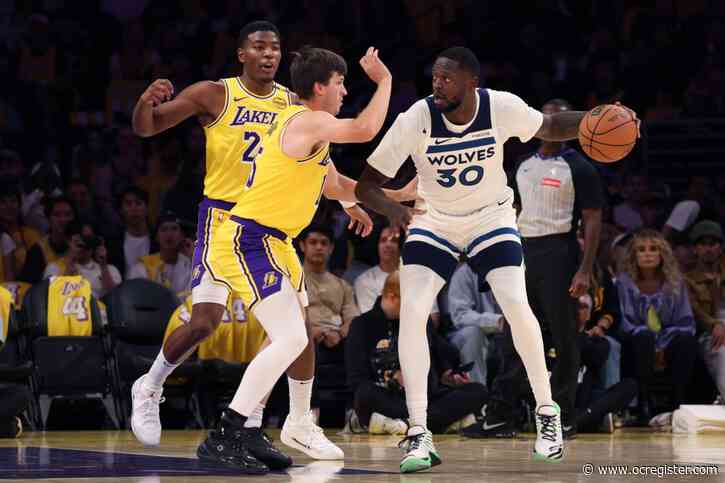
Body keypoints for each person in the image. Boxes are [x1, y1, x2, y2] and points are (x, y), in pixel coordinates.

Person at [355, 46, 640, 472]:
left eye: (446, 78)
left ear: (472, 82)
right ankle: (419, 432)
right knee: (413, 313)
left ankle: (548, 414)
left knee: (515, 302)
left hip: (491, 218)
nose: (437, 84)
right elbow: (366, 186)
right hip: (434, 221)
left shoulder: (499, 106)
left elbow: (551, 124)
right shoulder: (417, 117)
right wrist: (395, 212)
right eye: (434, 77)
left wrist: (592, 118)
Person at [510, 98, 604, 436]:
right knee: (515, 334)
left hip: (559, 251)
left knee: (565, 336)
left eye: (557, 118)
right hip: (522, 251)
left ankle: (563, 414)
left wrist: (585, 268)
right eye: (545, 116)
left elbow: (593, 220)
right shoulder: (521, 164)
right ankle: (504, 412)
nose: (549, 122)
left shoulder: (579, 166)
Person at [346, 271, 488, 434]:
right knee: (364, 395)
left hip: (425, 399)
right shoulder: (362, 325)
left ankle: (404, 425)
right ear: (392, 297)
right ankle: (436, 423)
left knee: (478, 391)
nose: (416, 307)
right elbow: (356, 380)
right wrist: (392, 379)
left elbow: (440, 355)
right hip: (389, 397)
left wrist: (449, 375)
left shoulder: (420, 320)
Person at [616, 229, 697, 425]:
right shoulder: (624, 283)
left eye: (653, 249)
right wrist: (652, 342)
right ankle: (643, 402)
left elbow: (685, 321)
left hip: (668, 340)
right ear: (634, 256)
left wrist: (662, 343)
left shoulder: (675, 283)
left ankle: (678, 403)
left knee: (685, 340)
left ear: (662, 254)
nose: (648, 254)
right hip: (636, 342)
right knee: (643, 337)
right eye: (641, 250)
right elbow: (626, 322)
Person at [300, 225, 360, 365]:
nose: (319, 247)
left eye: (324, 243)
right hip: (302, 342)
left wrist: (339, 334)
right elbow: (287, 318)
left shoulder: (343, 285)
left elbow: (352, 318)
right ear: (303, 246)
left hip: (337, 343)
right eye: (313, 242)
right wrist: (311, 332)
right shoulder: (292, 282)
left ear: (331, 248)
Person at [684, 220, 725, 403]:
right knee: (722, 351)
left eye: (713, 244)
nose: (708, 249)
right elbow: (695, 311)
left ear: (720, 248)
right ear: (695, 249)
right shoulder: (687, 279)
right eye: (703, 244)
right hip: (709, 333)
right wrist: (715, 324)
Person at [447, 262, 503, 387]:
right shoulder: (465, 273)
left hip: (501, 336)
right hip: (463, 337)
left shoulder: (512, 270)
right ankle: (478, 394)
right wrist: (497, 321)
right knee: (472, 333)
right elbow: (460, 316)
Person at [43, 221, 122, 299]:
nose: (85, 243)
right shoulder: (54, 268)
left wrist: (103, 266)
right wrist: (70, 264)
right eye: (80, 238)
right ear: (68, 240)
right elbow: (52, 298)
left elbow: (116, 299)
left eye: (89, 238)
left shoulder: (110, 269)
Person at [128, 212, 192, 294]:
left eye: (174, 229)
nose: (169, 234)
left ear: (182, 236)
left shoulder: (190, 265)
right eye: (164, 229)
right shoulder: (143, 267)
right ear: (156, 237)